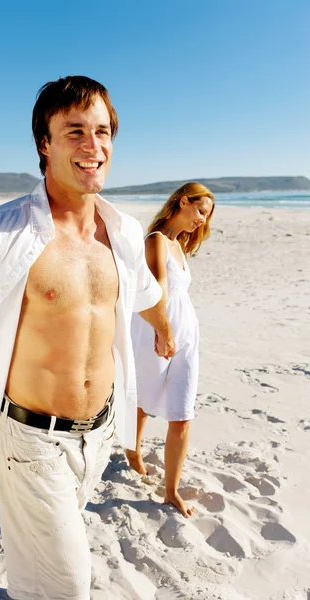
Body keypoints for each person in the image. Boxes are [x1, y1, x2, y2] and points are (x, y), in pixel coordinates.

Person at [0, 76, 175, 599]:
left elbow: (147, 294)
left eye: (102, 132)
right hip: (30, 441)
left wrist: (166, 332)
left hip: (98, 435)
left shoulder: (120, 232)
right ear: (44, 144)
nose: (92, 146)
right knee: (70, 586)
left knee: (41, 577)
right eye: (74, 131)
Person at [126, 182, 214, 518]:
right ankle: (132, 450)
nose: (201, 221)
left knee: (183, 414)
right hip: (157, 333)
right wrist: (163, 331)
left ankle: (172, 491)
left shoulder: (179, 245)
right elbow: (158, 288)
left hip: (188, 336)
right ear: (182, 202)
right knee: (143, 401)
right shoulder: (156, 242)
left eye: (206, 216)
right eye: (200, 211)